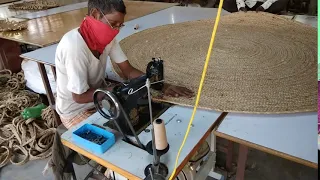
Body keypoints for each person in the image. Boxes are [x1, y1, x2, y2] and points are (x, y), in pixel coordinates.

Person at [55, 0, 194, 129]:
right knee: (120, 137)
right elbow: (79, 97)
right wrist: (115, 90)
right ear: (95, 14)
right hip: (75, 110)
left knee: (138, 121)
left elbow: (127, 70)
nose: (116, 30)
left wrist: (160, 84)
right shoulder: (74, 47)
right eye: (113, 23)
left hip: (100, 98)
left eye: (119, 25)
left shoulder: (106, 37)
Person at [222, 0, 289, 14]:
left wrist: (263, 6)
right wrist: (241, 6)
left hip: (265, 4)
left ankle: (265, 12)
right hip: (248, 3)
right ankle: (243, 11)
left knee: (282, 2)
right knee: (227, 2)